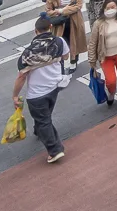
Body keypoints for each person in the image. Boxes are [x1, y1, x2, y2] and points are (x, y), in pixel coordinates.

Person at [14, 18, 73, 163]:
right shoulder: (59, 41)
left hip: (37, 93)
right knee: (44, 116)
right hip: (55, 86)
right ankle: (38, 129)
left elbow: (22, 76)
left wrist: (15, 95)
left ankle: (55, 150)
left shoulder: (28, 53)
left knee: (44, 120)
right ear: (51, 27)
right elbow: (65, 56)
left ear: (35, 31)